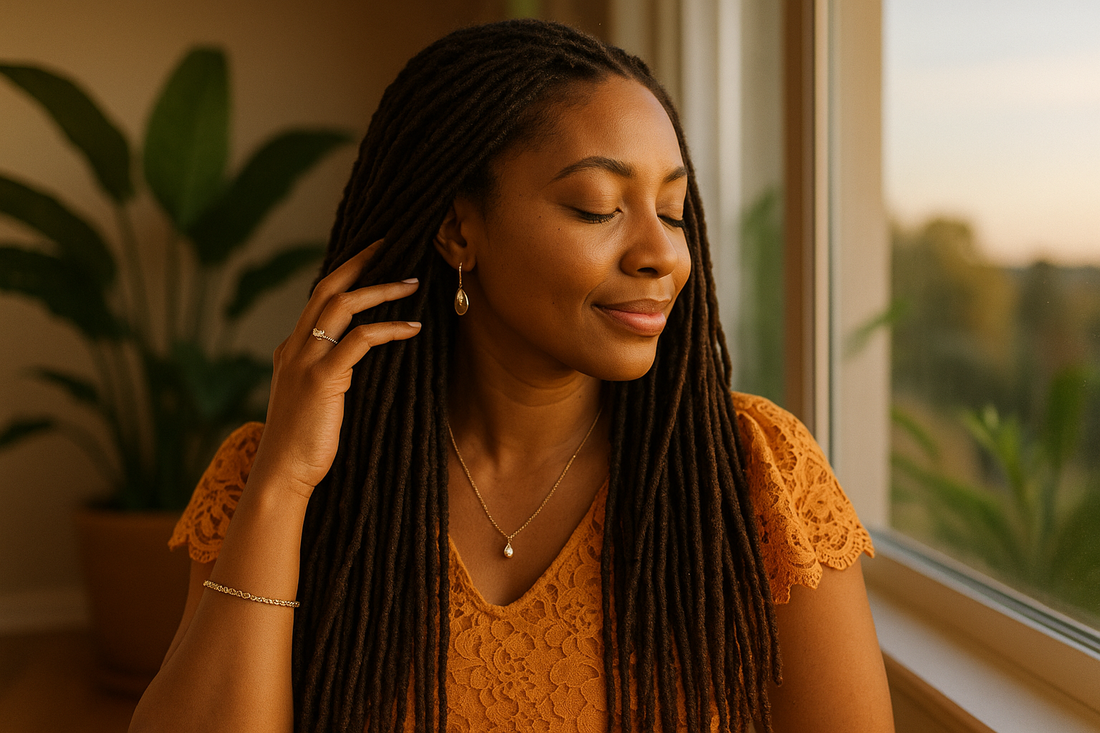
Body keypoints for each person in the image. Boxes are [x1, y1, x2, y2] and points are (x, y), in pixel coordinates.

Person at [129, 18, 894, 733]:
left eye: (670, 208)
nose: (661, 252)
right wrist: (285, 481)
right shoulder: (273, 481)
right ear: (460, 228)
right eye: (598, 207)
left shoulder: (759, 474)